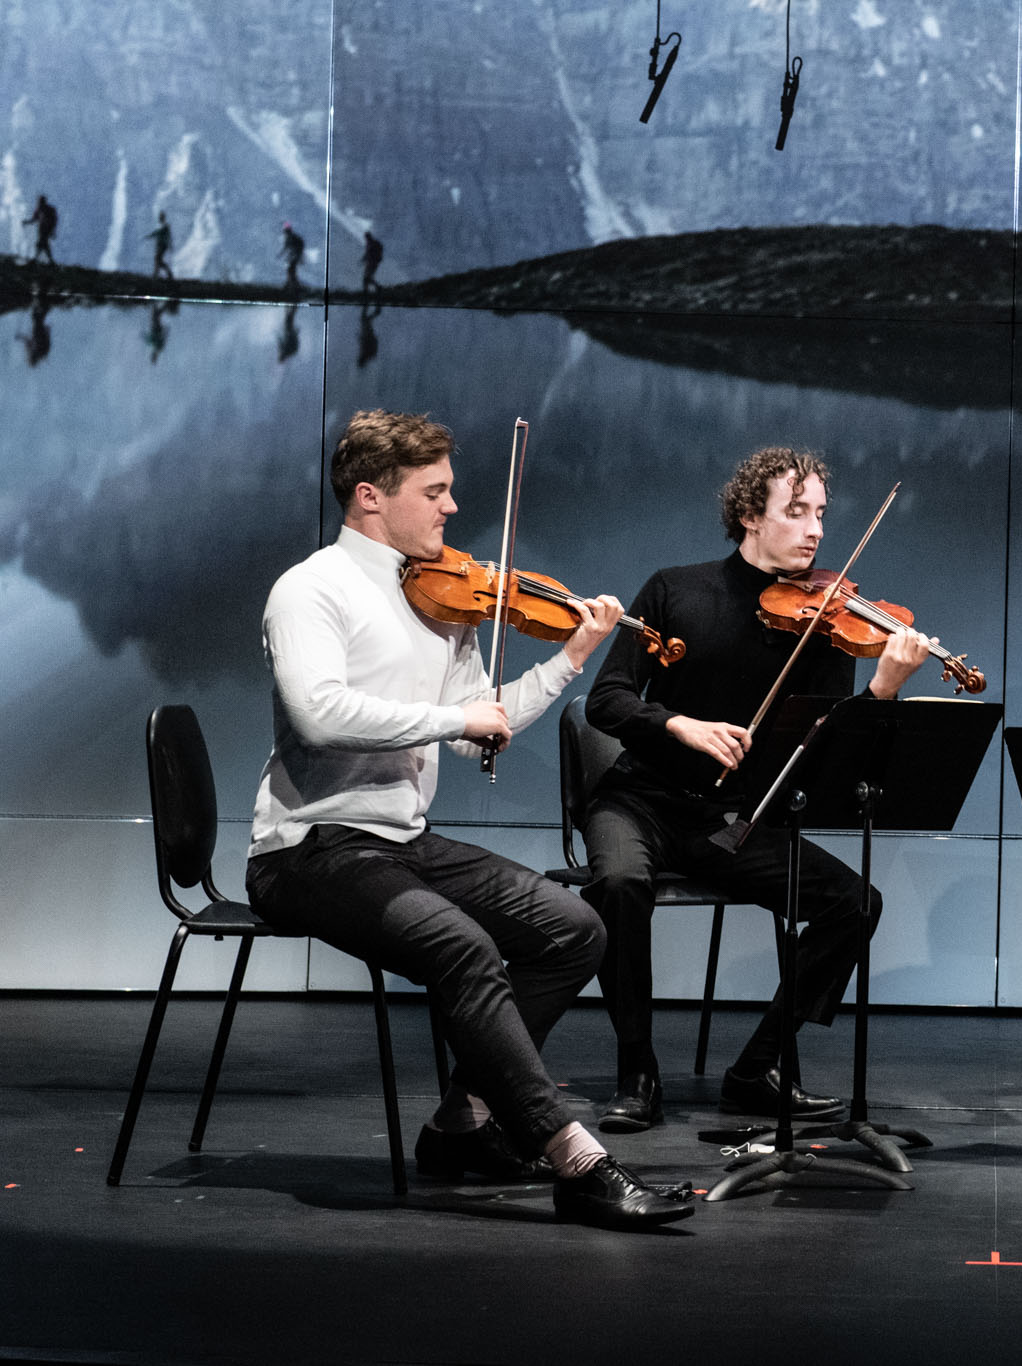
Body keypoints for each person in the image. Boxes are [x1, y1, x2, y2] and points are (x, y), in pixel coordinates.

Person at [243, 409, 693, 1228]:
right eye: (436, 491)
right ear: (371, 497)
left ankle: (460, 1125)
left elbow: (483, 718)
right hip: (308, 849)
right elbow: (319, 714)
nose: (453, 509)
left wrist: (568, 659)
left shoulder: (441, 594)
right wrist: (455, 720)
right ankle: (573, 1156)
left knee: (573, 927)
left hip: (401, 843)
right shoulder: (310, 588)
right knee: (465, 947)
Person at [581, 448, 935, 1131]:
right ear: (749, 515)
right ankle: (637, 1069)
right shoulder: (673, 590)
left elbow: (827, 749)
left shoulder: (829, 623)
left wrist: (884, 690)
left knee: (854, 905)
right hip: (639, 802)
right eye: (795, 512)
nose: (814, 531)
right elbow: (608, 700)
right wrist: (678, 724)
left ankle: (757, 1068)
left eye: (821, 515)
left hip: (732, 822)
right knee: (620, 885)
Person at [23, 194, 57, 265]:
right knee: (44, 244)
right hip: (42, 229)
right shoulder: (39, 209)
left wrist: (52, 230)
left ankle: (36, 259)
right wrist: (27, 222)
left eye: (41, 201)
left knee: (41, 243)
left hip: (46, 229)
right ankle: (49, 261)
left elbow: (54, 220)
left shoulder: (49, 209)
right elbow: (34, 219)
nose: (39, 202)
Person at [147, 211, 174, 280]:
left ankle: (158, 274)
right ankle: (159, 274)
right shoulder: (160, 225)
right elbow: (156, 233)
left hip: (163, 245)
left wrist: (170, 245)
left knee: (157, 258)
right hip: (159, 245)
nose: (159, 218)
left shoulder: (165, 226)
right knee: (158, 259)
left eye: (161, 217)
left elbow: (168, 236)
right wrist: (150, 236)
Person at [280, 221, 305, 291]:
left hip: (294, 257)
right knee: (291, 271)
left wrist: (281, 254)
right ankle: (290, 285)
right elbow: (287, 247)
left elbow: (286, 247)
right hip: (294, 257)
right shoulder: (292, 237)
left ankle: (292, 286)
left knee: (290, 271)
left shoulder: (290, 238)